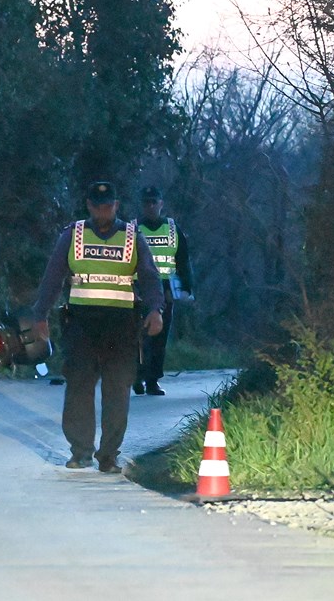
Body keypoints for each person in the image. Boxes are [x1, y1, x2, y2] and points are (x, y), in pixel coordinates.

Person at [24, 181, 164, 473]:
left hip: (121, 325)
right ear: (89, 205)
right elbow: (53, 277)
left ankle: (109, 455)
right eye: (98, 206)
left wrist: (155, 309)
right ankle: (81, 451)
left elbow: (150, 277)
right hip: (81, 323)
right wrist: (40, 315)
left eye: (109, 205)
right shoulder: (72, 235)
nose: (104, 211)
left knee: (118, 389)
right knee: (78, 386)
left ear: (116, 205)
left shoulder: (131, 237)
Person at [131, 186, 195, 396]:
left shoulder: (172, 229)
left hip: (165, 289)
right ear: (142, 205)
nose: (150, 206)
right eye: (146, 202)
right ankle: (136, 376)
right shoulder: (131, 229)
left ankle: (152, 380)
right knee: (136, 335)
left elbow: (183, 259)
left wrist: (186, 287)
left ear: (161, 204)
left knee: (159, 336)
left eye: (153, 202)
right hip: (137, 288)